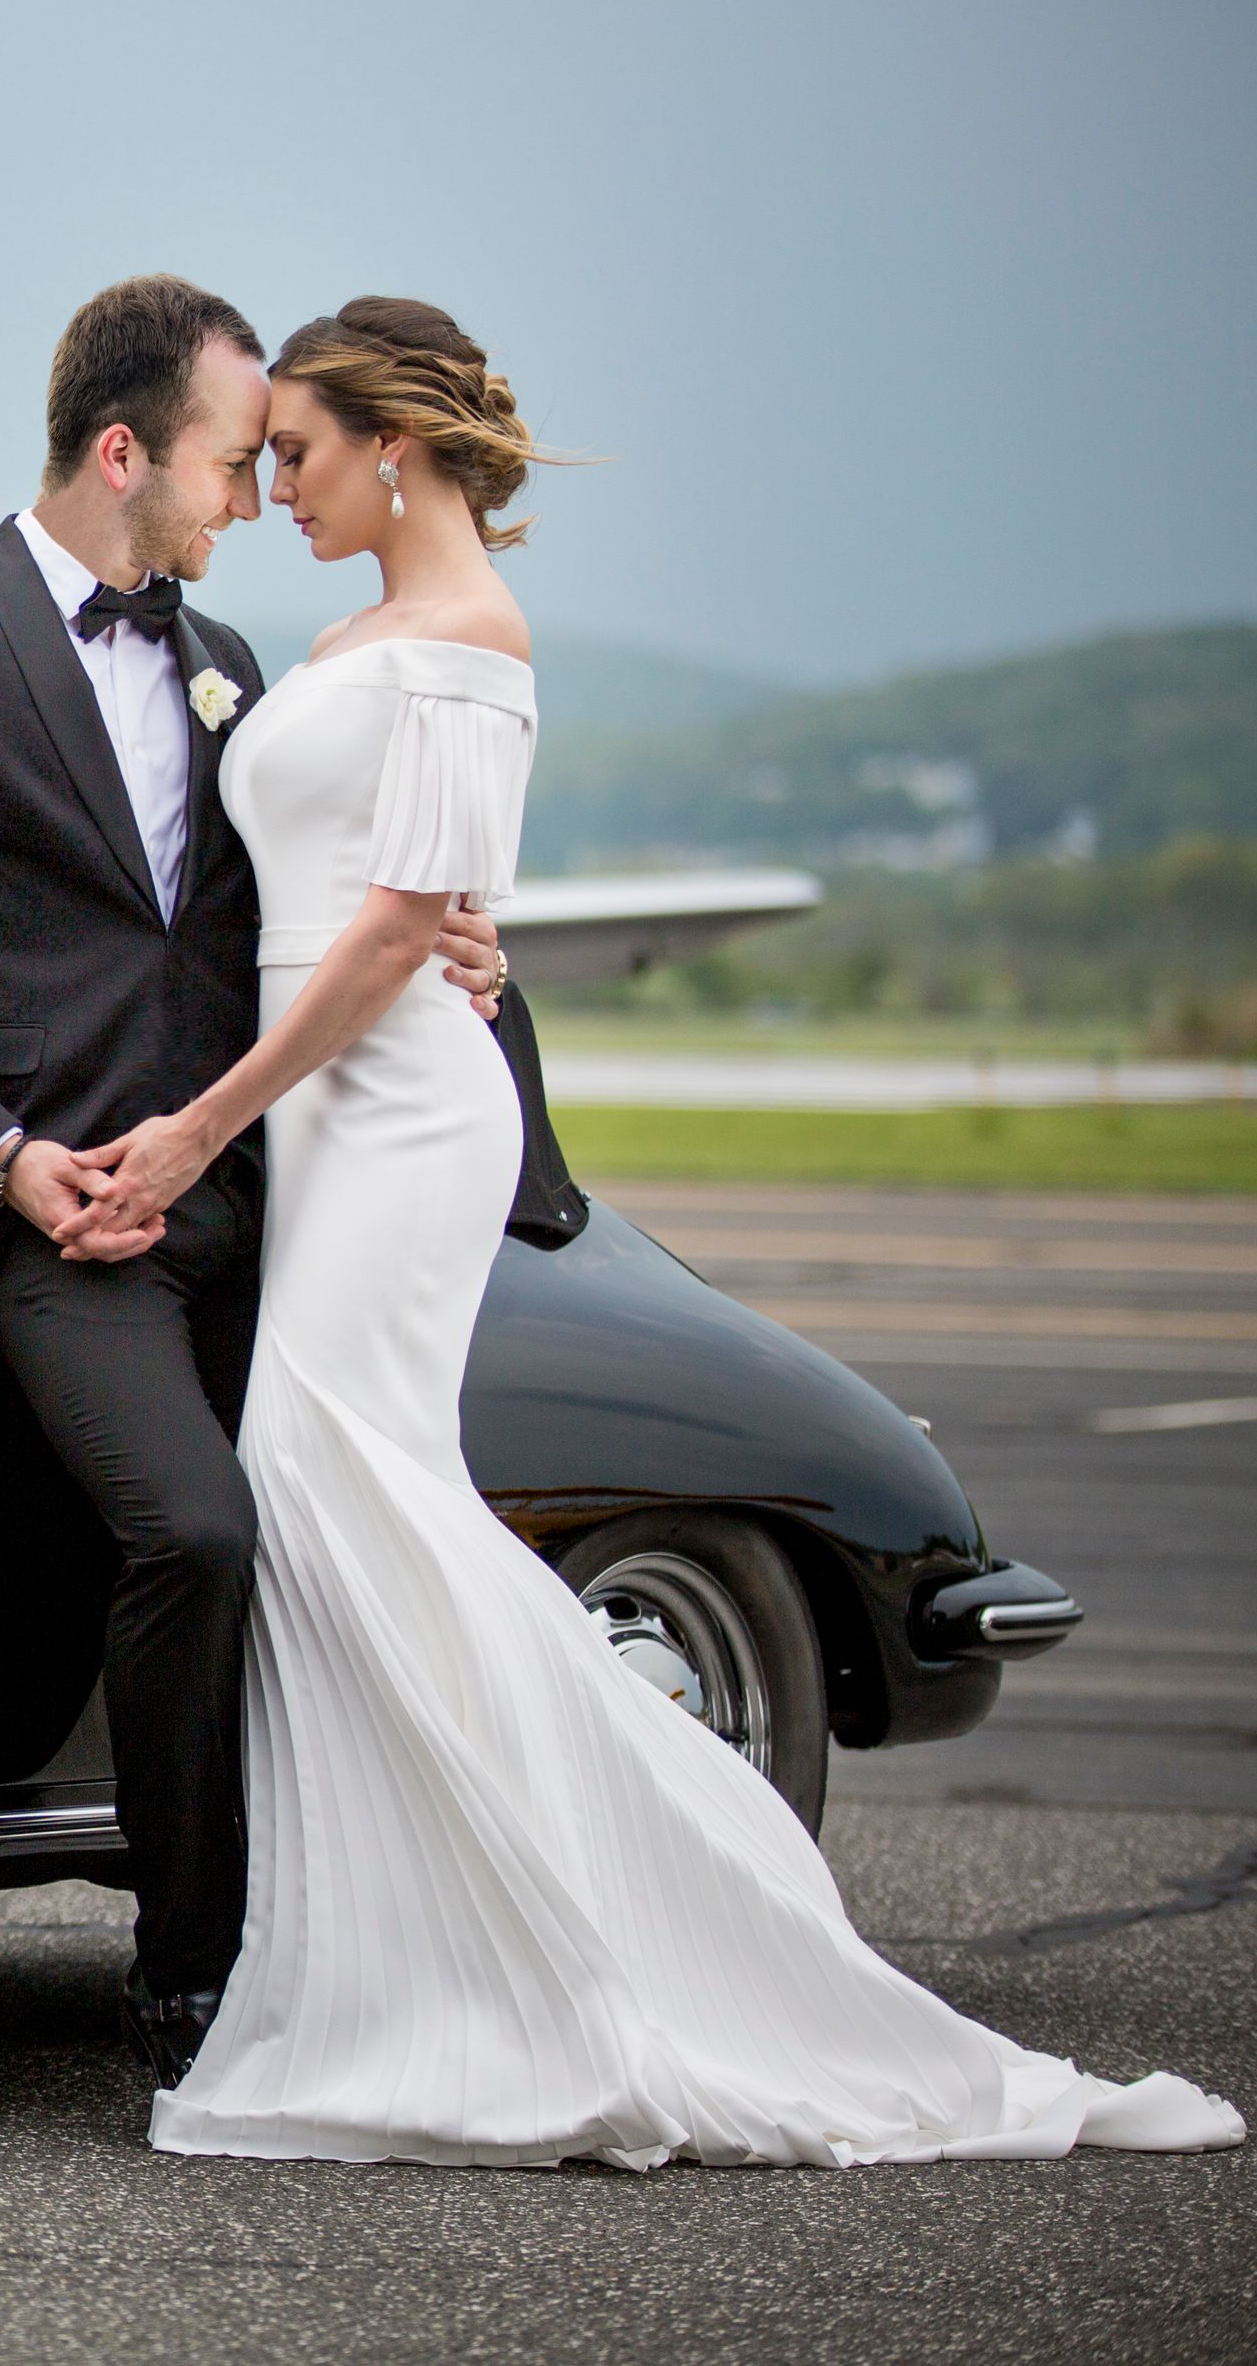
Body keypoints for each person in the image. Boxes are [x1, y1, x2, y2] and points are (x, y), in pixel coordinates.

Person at [65, 295, 1240, 2165]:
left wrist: (206, 1123)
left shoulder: (471, 638)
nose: (273, 483)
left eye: (298, 451)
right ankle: (435, 1949)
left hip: (392, 1110)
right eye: (264, 455)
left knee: (327, 1473)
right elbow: (350, 898)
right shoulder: (357, 632)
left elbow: (391, 932)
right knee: (335, 1491)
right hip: (331, 1097)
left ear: (400, 447)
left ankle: (610, 1909)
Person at [0, 276, 507, 2086]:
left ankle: (408, 1936)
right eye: (230, 467)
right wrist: (11, 1162)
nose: (254, 503)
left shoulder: (236, 668)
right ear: (125, 453)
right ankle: (193, 1977)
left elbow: (298, 919)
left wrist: (455, 945)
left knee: (375, 1532)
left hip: (263, 1197)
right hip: (67, 1217)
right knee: (194, 1532)